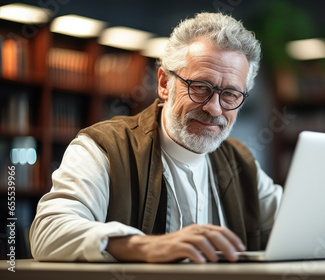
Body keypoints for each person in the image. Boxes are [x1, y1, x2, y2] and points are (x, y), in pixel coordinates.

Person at [29, 12, 282, 264]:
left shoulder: (241, 161)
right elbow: (48, 232)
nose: (214, 108)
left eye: (230, 94)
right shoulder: (105, 147)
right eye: (201, 87)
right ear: (163, 83)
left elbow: (299, 222)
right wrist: (145, 246)